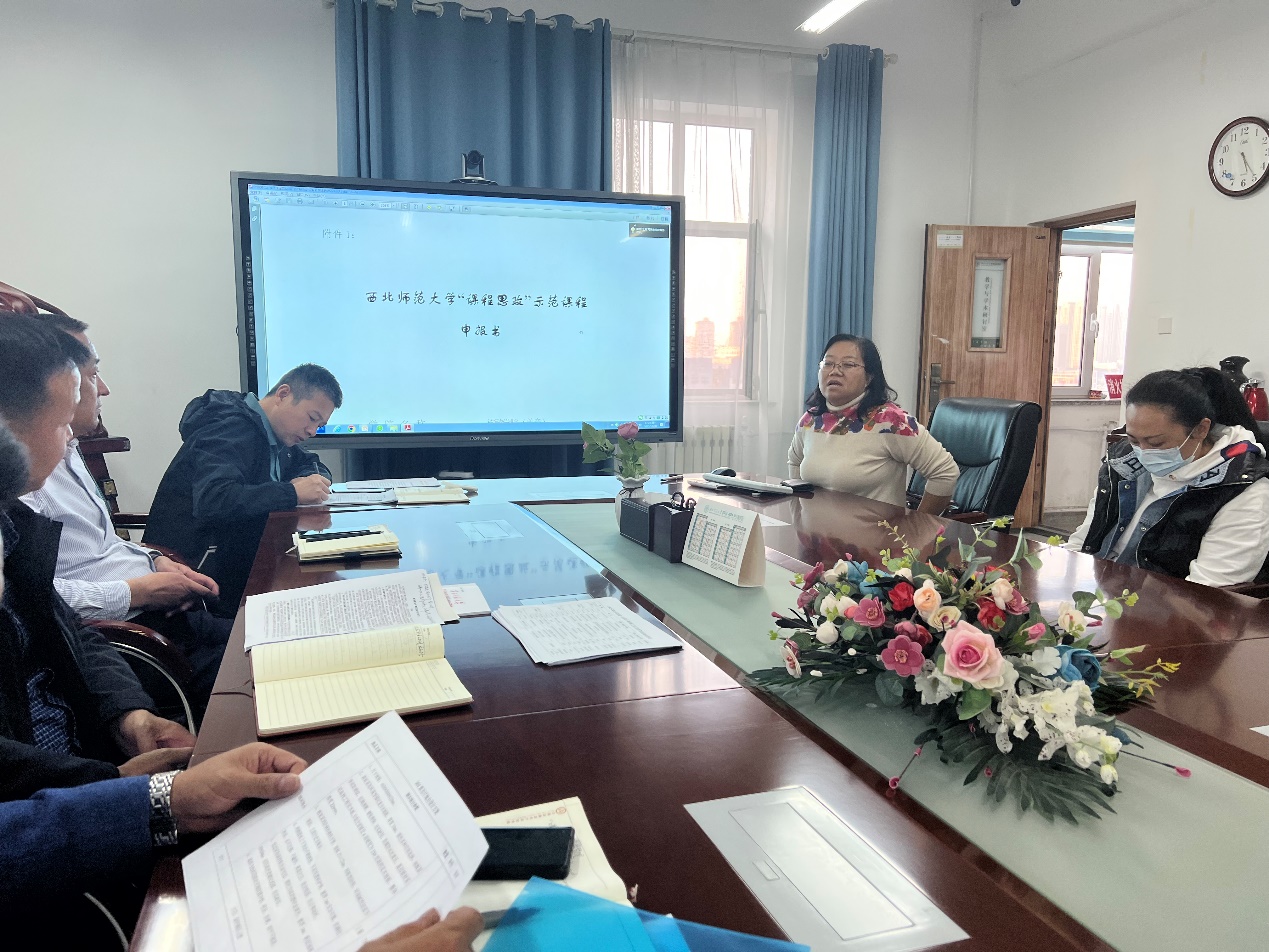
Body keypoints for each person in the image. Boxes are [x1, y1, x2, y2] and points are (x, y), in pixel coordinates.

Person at [0, 316, 197, 801]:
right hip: (59, 807)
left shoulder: (13, 526)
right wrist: (123, 792)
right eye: (61, 423)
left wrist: (128, 716)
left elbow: (71, 634)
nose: (70, 439)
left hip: (88, 777)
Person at [20, 313, 230, 715]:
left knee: (274, 637)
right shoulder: (26, 477)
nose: (103, 388)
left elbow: (102, 547)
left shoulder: (67, 448)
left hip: (159, 611)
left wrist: (156, 560)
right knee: (264, 672)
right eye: (91, 375)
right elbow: (36, 599)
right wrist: (138, 592)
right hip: (128, 641)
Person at [144, 363, 342, 614]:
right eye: (312, 418)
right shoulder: (230, 429)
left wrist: (312, 480)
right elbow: (214, 500)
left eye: (319, 425)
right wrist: (292, 493)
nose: (312, 431)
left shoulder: (274, 434)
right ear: (283, 394)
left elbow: (311, 463)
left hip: (240, 560)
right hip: (199, 577)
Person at [1066, 367, 1269, 586]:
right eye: (1133, 440)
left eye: (1156, 443)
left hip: (1168, 603)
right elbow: (1084, 540)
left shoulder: (1243, 491)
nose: (1143, 453)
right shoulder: (1124, 462)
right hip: (1103, 591)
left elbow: (1207, 590)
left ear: (1201, 430)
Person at [789, 335, 958, 512]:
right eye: (828, 363)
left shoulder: (891, 421)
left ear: (869, 377)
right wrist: (799, 516)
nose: (835, 371)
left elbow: (945, 472)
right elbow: (794, 462)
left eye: (848, 364)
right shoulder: (810, 420)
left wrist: (918, 525)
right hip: (815, 530)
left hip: (875, 530)